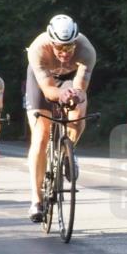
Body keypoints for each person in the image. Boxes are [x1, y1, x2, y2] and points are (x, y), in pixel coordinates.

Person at [25, 14, 96, 221]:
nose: (64, 53)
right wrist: (60, 94)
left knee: (78, 112)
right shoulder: (38, 48)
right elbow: (47, 90)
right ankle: (36, 200)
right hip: (42, 80)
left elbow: (81, 87)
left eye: (69, 47)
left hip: (70, 79)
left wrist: (76, 94)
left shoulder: (87, 50)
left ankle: (67, 151)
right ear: (51, 42)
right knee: (41, 135)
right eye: (59, 48)